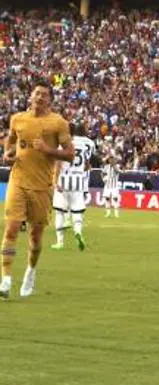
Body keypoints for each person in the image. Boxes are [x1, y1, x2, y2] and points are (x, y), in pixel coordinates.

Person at [1, 82, 74, 299]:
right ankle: (5, 279)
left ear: (50, 99)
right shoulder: (18, 119)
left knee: (35, 235)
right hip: (18, 180)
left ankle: (30, 271)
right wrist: (7, 154)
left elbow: (70, 154)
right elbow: (10, 141)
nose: (40, 97)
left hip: (42, 186)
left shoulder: (58, 123)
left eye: (44, 95)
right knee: (12, 228)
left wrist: (48, 149)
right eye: (37, 93)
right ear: (31, 96)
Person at [51, 122, 95, 251]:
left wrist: (54, 181)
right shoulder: (84, 145)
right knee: (77, 211)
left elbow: (58, 164)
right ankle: (78, 233)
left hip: (64, 180)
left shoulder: (63, 145)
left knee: (59, 212)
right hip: (79, 181)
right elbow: (87, 165)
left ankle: (60, 242)